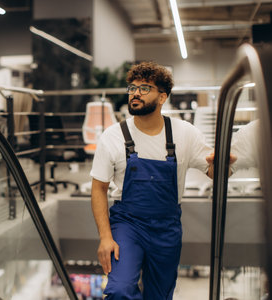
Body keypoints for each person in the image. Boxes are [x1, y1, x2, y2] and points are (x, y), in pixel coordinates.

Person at [90, 61, 213, 299]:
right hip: (128, 224)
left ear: (162, 97)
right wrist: (105, 237)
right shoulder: (113, 136)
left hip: (166, 227)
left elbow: (213, 170)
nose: (135, 93)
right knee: (120, 290)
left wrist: (225, 161)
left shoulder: (184, 133)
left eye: (145, 88)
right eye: (132, 87)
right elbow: (98, 188)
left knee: (160, 295)